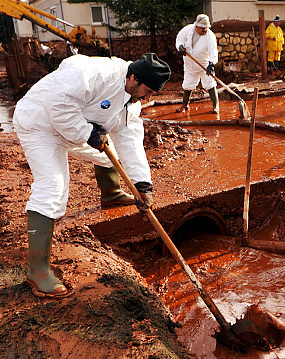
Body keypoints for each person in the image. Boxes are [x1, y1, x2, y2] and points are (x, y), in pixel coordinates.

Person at [13, 53, 171, 298]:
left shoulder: (132, 100)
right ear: (133, 77)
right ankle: (38, 271)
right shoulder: (95, 73)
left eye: (153, 94)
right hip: (40, 123)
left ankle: (111, 194)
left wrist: (143, 185)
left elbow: (130, 139)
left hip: (77, 128)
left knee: (113, 154)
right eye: (147, 91)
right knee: (53, 187)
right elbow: (58, 104)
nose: (147, 98)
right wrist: (87, 132)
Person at [176, 14, 219, 114]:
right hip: (189, 63)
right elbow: (179, 39)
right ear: (196, 26)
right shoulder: (187, 30)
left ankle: (215, 106)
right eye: (202, 28)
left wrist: (211, 64)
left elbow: (213, 51)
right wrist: (180, 47)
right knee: (188, 83)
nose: (204, 30)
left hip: (204, 65)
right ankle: (185, 105)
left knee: (210, 83)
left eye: (206, 28)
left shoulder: (210, 36)